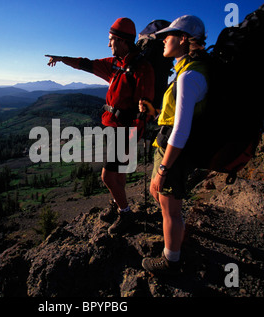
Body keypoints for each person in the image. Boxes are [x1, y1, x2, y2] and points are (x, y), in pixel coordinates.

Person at [46, 17, 155, 234]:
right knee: (119, 173)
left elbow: (146, 107)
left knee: (107, 176)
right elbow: (86, 64)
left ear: (122, 40)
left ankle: (126, 214)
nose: (108, 44)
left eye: (111, 40)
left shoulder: (141, 68)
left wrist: (136, 134)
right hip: (113, 127)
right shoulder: (115, 64)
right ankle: (117, 205)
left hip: (125, 131)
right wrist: (62, 59)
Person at [140, 15, 208, 275]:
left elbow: (180, 130)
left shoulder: (188, 76)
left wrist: (163, 169)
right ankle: (175, 239)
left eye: (168, 36)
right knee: (161, 197)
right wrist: (154, 111)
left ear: (182, 39)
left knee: (170, 208)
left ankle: (171, 261)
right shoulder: (188, 69)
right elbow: (177, 116)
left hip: (174, 151)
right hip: (170, 144)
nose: (164, 40)